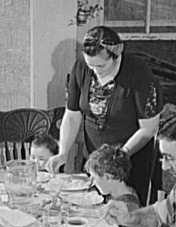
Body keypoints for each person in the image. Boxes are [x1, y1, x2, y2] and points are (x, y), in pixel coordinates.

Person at [46, 26, 162, 206]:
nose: (95, 70)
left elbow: (149, 128)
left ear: (117, 55)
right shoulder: (80, 68)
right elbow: (72, 115)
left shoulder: (139, 74)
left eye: (101, 65)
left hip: (129, 161)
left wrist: (118, 157)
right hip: (94, 159)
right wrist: (63, 152)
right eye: (90, 65)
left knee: (124, 214)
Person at [84, 144, 141, 227]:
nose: (91, 182)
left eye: (94, 177)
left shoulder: (128, 206)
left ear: (108, 177)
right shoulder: (118, 193)